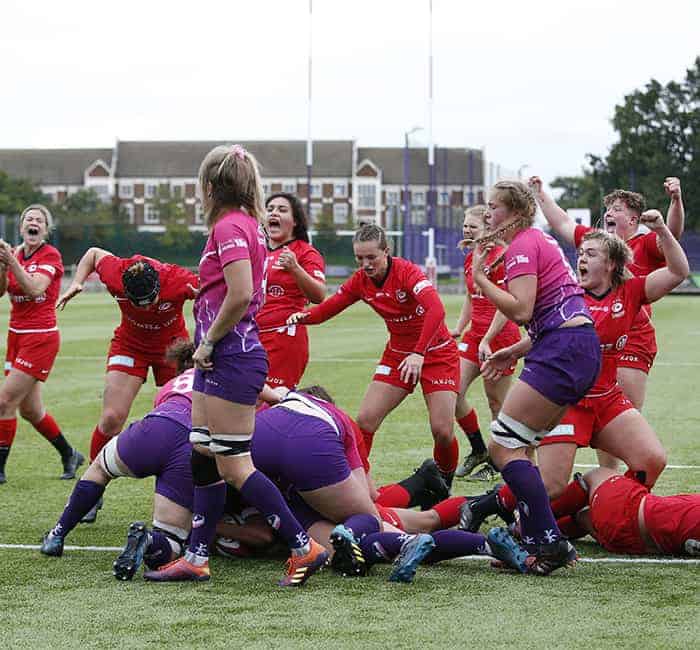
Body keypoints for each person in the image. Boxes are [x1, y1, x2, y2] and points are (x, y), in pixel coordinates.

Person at [144, 144, 327, 586]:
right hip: (222, 357)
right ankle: (198, 556)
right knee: (202, 453)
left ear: (210, 186)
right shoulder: (246, 224)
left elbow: (241, 293)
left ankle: (305, 548)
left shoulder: (229, 227)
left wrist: (206, 342)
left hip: (231, 356)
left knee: (234, 465)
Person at [462, 222, 688, 533]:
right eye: (580, 253)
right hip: (568, 401)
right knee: (551, 484)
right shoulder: (567, 295)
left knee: (651, 460)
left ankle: (589, 518)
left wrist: (662, 230)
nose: (581, 259)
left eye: (591, 254)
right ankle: (488, 504)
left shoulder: (631, 291)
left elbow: (678, 272)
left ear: (610, 263)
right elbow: (547, 332)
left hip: (608, 399)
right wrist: (513, 350)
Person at [466, 180, 601, 575]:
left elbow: (522, 310)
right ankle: (538, 536)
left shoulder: (523, 244)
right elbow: (550, 313)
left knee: (503, 447)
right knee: (519, 446)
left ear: (515, 212)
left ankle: (546, 540)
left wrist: (481, 281)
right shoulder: (536, 241)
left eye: (493, 207)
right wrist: (514, 350)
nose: (488, 214)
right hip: (573, 347)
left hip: (563, 350)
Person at [289, 224, 461, 487]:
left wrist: (418, 353)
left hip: (436, 353)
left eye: (372, 258)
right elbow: (328, 308)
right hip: (397, 355)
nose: (365, 264)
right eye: (359, 258)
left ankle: (444, 482)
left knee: (442, 431)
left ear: (387, 252)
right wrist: (302, 317)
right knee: (366, 420)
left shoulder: (407, 272)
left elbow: (435, 309)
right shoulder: (360, 281)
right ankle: (355, 485)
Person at [534, 177, 684, 471]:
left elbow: (673, 237)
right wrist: (542, 195)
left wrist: (675, 201)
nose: (609, 213)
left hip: (632, 338)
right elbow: (563, 223)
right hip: (590, 335)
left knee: (618, 416)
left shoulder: (644, 244)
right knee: (582, 401)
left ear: (632, 218)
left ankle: (609, 485)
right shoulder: (596, 246)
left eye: (616, 208)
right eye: (608, 208)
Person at [57, 247, 198, 521]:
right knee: (111, 418)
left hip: (173, 349)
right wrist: (77, 282)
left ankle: (186, 494)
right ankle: (92, 490)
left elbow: (212, 293)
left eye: (150, 301)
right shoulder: (116, 273)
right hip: (130, 345)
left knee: (187, 422)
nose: (145, 307)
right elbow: (93, 253)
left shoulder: (177, 279)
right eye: (138, 303)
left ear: (159, 285)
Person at [40, 341, 196, 581]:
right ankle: (150, 540)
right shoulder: (224, 379)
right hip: (188, 443)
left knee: (100, 469)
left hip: (154, 428)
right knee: (173, 540)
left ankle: (57, 534)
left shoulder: (171, 384)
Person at [0, 204, 82, 484]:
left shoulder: (51, 255)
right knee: (30, 410)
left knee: (4, 401)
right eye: (28, 219)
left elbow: (35, 288)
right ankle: (69, 453)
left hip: (40, 337)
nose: (33, 223)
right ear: (21, 228)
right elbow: (2, 291)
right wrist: (3, 264)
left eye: (39, 220)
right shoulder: (16, 254)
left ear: (46, 230)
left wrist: (11, 263)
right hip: (16, 337)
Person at [451, 205, 521, 481]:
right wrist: (459, 328)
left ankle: (500, 461)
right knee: (452, 393)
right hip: (474, 337)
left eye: (473, 227)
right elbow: (471, 297)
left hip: (500, 337)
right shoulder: (472, 257)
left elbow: (507, 305)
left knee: (497, 404)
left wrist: (489, 339)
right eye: (465, 226)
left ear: (489, 228)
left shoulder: (502, 257)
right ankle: (479, 450)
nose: (468, 231)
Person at [257, 193, 326, 389]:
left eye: (282, 209)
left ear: (295, 221)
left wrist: (295, 268)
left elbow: (319, 295)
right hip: (251, 336)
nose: (274, 213)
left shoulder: (305, 252)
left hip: (283, 337)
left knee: (269, 405)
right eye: (270, 209)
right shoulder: (256, 249)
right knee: (241, 402)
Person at [551, 467, 699, 557]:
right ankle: (560, 528)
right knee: (584, 516)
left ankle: (539, 519)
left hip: (624, 511)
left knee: (597, 474)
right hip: (630, 546)